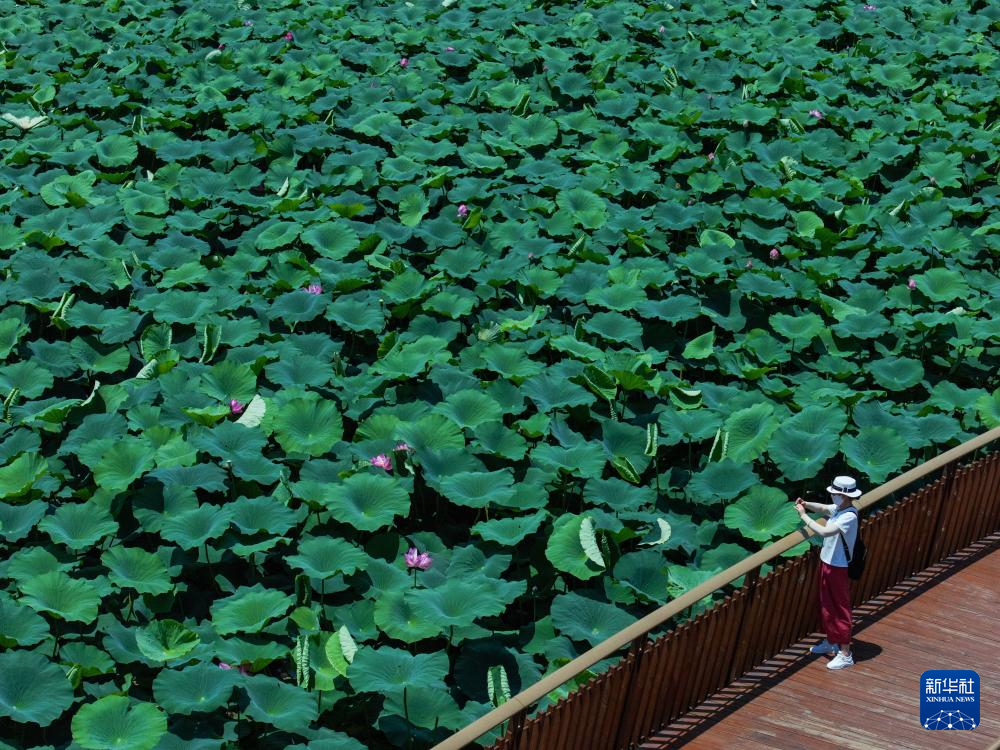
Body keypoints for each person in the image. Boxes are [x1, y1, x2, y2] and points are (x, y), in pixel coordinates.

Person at [794, 475, 862, 670]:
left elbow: (825, 532)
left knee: (840, 607)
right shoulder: (839, 509)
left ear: (845, 496)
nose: (833, 496)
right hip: (827, 562)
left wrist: (803, 515)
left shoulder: (849, 516)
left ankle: (845, 653)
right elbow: (824, 508)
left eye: (836, 494)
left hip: (838, 566)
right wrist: (806, 504)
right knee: (827, 604)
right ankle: (832, 641)